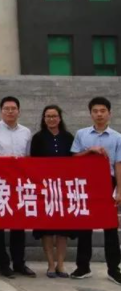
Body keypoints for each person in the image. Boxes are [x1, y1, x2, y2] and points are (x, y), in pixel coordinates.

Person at [70, 96, 121, 284]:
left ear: (109, 113)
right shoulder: (82, 134)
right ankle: (83, 266)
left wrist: (119, 190)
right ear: (90, 113)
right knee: (84, 226)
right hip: (85, 183)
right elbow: (74, 158)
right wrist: (90, 150)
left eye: (103, 111)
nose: (99, 114)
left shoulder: (117, 137)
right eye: (95, 111)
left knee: (110, 227)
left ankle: (114, 268)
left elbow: (118, 165)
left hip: (108, 182)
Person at [0, 96, 35, 278]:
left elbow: (28, 158)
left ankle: (19, 262)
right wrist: (8, 161)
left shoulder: (26, 132)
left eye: (13, 108)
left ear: (19, 111)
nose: (10, 111)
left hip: (19, 184)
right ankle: (2, 263)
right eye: (6, 108)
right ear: (1, 111)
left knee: (19, 225)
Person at [30, 105, 75, 278]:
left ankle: (61, 264)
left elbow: (75, 161)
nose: (51, 119)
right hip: (45, 190)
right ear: (44, 119)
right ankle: (50, 264)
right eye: (48, 116)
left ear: (60, 118)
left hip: (64, 190)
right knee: (47, 230)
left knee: (63, 230)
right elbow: (33, 163)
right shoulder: (38, 138)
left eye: (54, 116)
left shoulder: (68, 137)